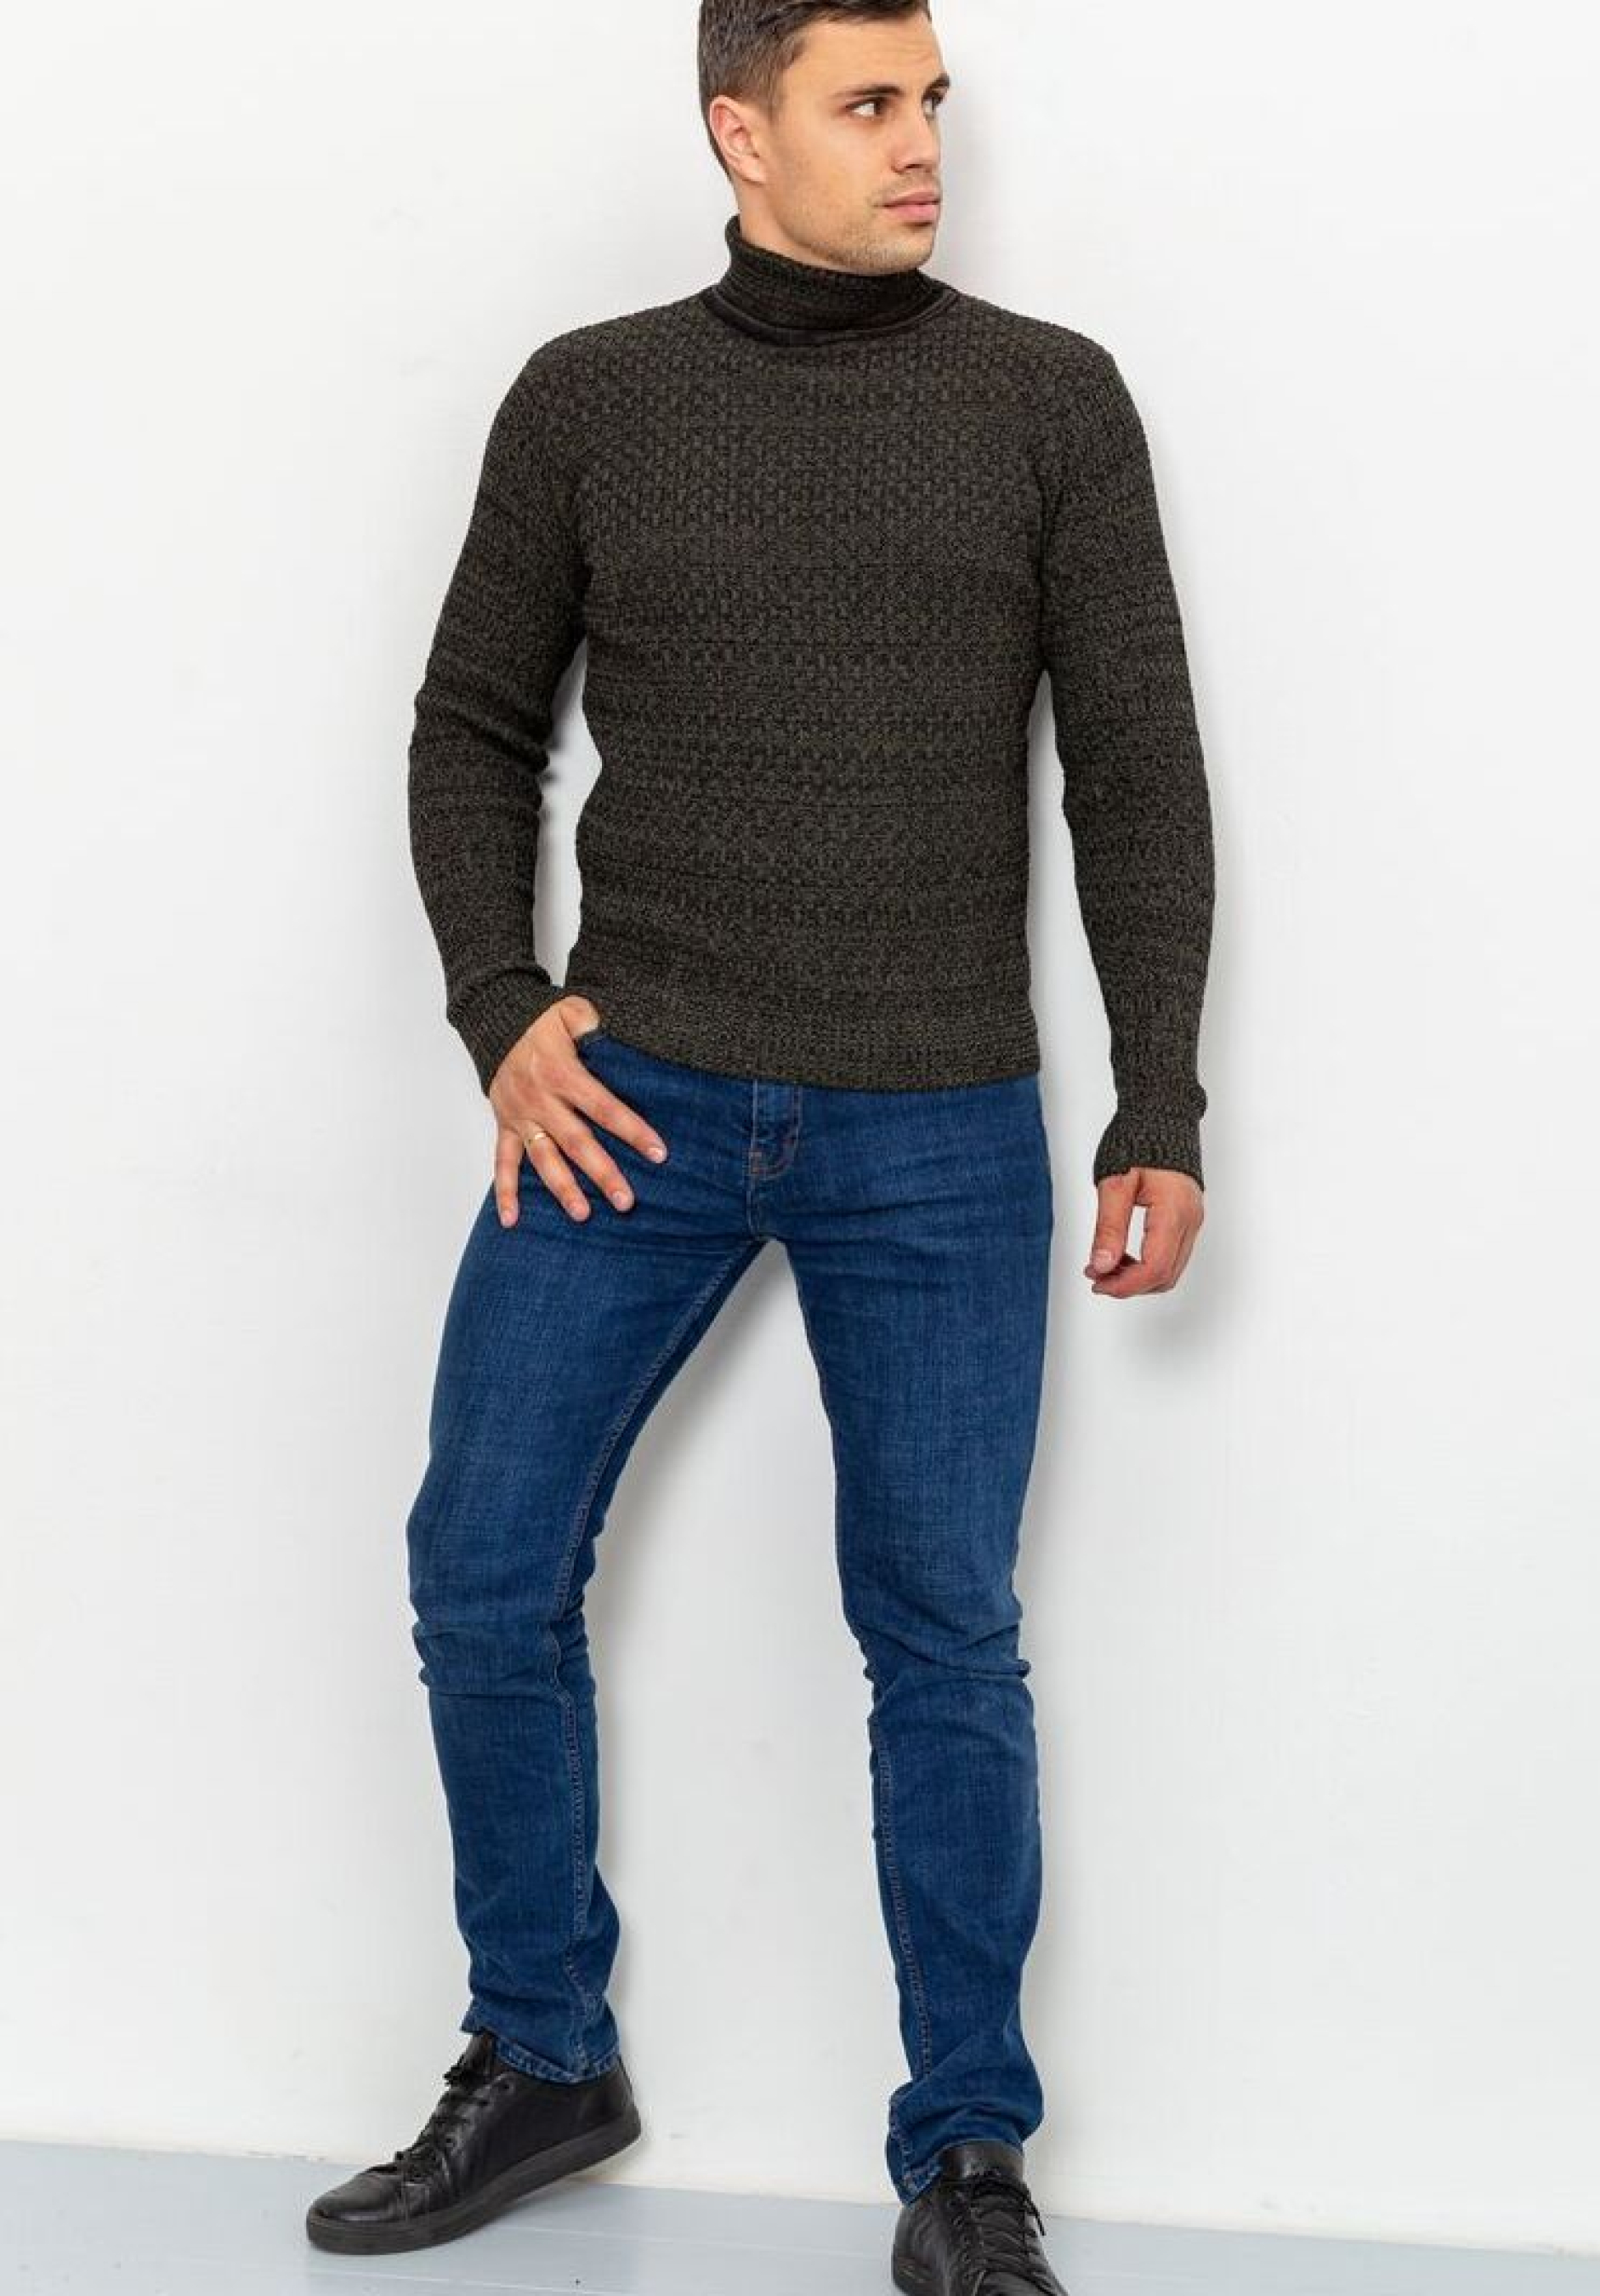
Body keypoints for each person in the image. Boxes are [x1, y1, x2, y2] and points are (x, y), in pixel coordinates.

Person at [305, 3, 1216, 2288]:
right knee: (480, 1565)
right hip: (640, 1098)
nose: (921, 146)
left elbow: (1135, 765)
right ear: (740, 128)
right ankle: (544, 2054)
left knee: (943, 1630)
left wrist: (1161, 1092)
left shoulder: (1047, 399)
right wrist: (502, 1008)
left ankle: (966, 2159)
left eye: (933, 104)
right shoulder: (591, 399)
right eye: (866, 104)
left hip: (941, 1113)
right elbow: (469, 725)